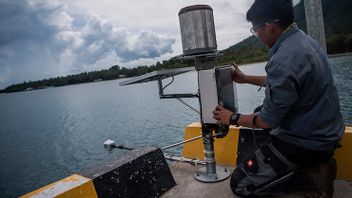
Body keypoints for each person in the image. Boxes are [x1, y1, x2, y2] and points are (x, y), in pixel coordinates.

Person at [212, 0, 345, 197]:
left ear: (270, 27)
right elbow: (286, 82)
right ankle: (301, 167)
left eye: (256, 29)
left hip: (307, 143)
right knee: (259, 111)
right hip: (325, 133)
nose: (256, 34)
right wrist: (246, 79)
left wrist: (231, 118)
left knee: (241, 183)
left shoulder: (283, 58)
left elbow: (267, 121)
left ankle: (309, 181)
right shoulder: (303, 41)